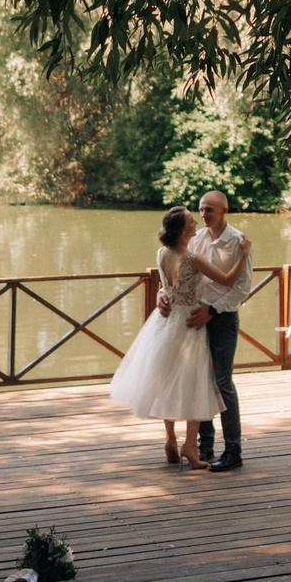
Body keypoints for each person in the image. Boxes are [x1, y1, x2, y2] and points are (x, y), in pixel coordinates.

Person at [106, 207, 222, 470]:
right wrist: (246, 255)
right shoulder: (193, 259)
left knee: (163, 376)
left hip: (165, 322)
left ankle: (170, 441)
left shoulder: (162, 253)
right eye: (192, 221)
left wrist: (161, 294)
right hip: (189, 322)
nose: (196, 224)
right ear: (183, 231)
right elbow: (227, 280)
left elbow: (165, 284)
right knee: (194, 381)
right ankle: (190, 447)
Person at [182, 189, 253, 470]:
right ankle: (205, 446)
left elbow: (243, 288)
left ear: (224, 211)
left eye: (209, 209)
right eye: (200, 209)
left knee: (223, 382)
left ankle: (233, 450)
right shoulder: (195, 239)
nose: (203, 214)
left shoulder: (237, 241)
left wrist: (212, 310)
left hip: (221, 318)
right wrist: (164, 294)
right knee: (200, 380)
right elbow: (181, 273)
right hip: (195, 316)